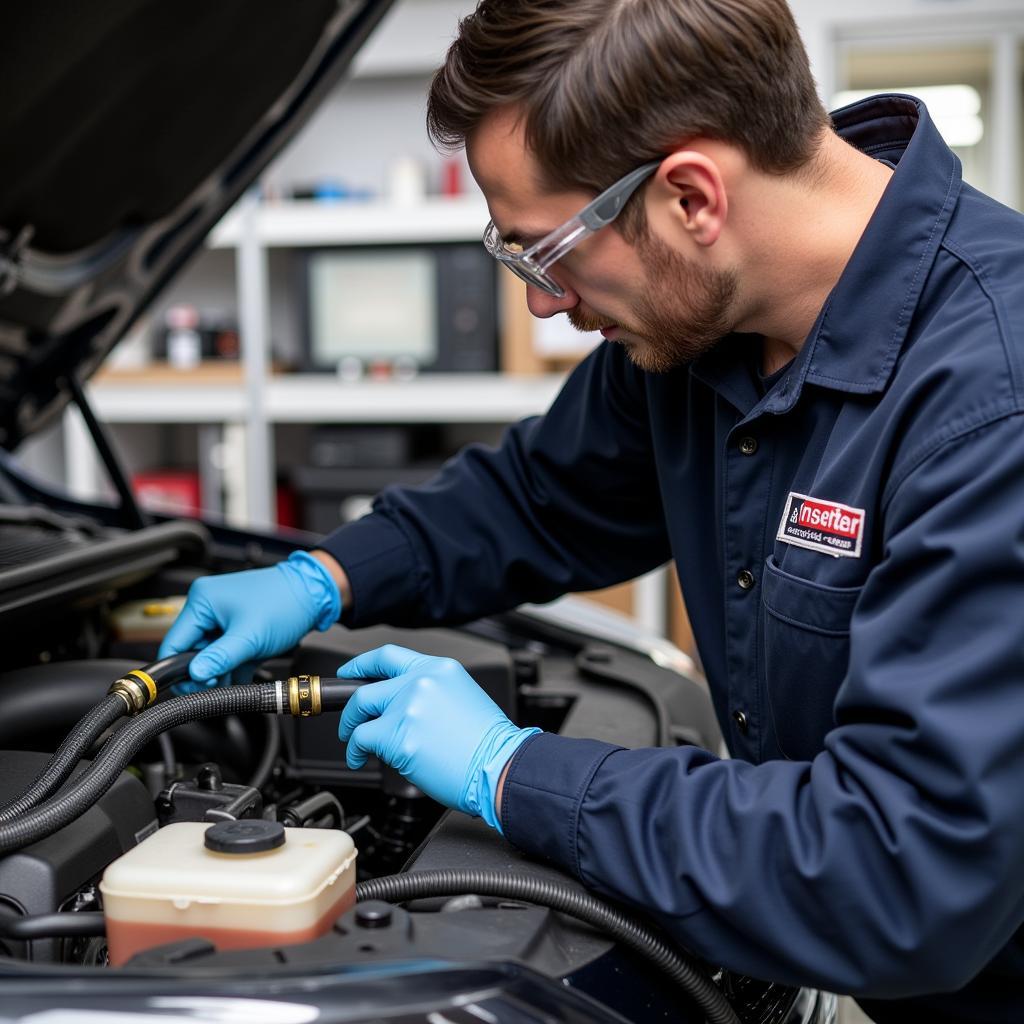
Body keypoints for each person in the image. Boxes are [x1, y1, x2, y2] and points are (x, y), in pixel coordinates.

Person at [159, 0, 1024, 1018]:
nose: (539, 301)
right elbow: (541, 495)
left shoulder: (988, 405)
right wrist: (328, 574)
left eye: (544, 249)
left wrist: (513, 770)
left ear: (690, 196)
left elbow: (903, 870)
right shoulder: (702, 318)